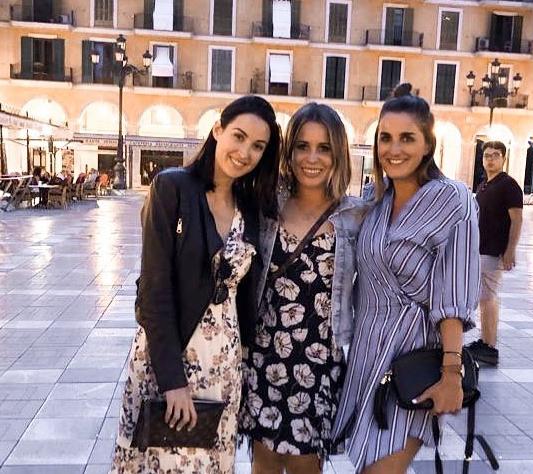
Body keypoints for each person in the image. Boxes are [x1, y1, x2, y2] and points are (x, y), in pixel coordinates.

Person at [110, 95, 281, 474]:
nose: (244, 152)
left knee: (210, 464)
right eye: (238, 136)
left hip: (224, 364)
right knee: (162, 461)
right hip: (171, 357)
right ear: (217, 130)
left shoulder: (250, 204)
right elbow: (154, 292)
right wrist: (172, 382)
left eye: (258, 146)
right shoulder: (172, 188)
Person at [332, 84, 480, 473]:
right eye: (385, 138)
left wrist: (451, 374)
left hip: (414, 364)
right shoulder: (375, 199)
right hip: (367, 358)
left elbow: (455, 294)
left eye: (407, 138)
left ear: (428, 145)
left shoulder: (454, 200)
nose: (393, 150)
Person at [240, 103, 368, 473]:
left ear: (338, 153)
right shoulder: (266, 204)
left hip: (317, 360)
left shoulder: (355, 217)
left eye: (324, 147)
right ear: (289, 151)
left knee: (304, 465)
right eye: (302, 146)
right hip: (264, 355)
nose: (312, 158)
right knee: (263, 461)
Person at [464, 141, 523, 367]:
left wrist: (510, 250)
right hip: (481, 250)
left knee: (488, 298)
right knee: (484, 298)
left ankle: (489, 346)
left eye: (495, 155)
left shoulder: (509, 185)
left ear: (503, 159)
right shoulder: (485, 185)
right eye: (487, 155)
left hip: (493, 251)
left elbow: (517, 219)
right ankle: (486, 342)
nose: (490, 159)